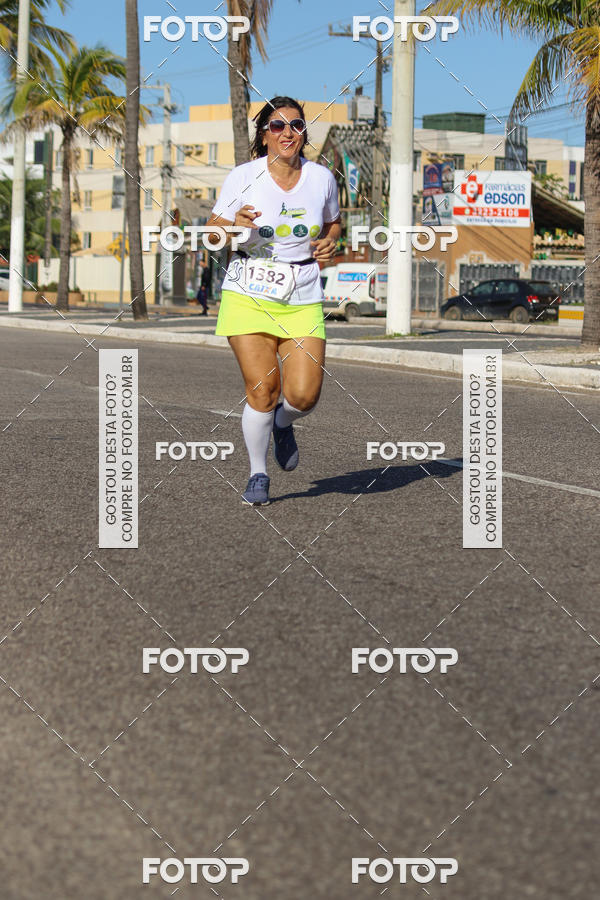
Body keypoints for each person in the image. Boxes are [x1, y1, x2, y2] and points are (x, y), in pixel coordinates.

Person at [206, 96, 341, 505]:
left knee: (303, 396)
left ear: (304, 133)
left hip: (301, 293)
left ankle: (283, 423)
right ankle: (258, 473)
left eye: (296, 126)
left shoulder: (321, 178)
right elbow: (212, 232)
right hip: (248, 289)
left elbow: (334, 223)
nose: (288, 133)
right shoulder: (243, 176)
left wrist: (329, 243)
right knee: (262, 388)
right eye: (278, 126)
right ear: (264, 135)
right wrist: (233, 226)